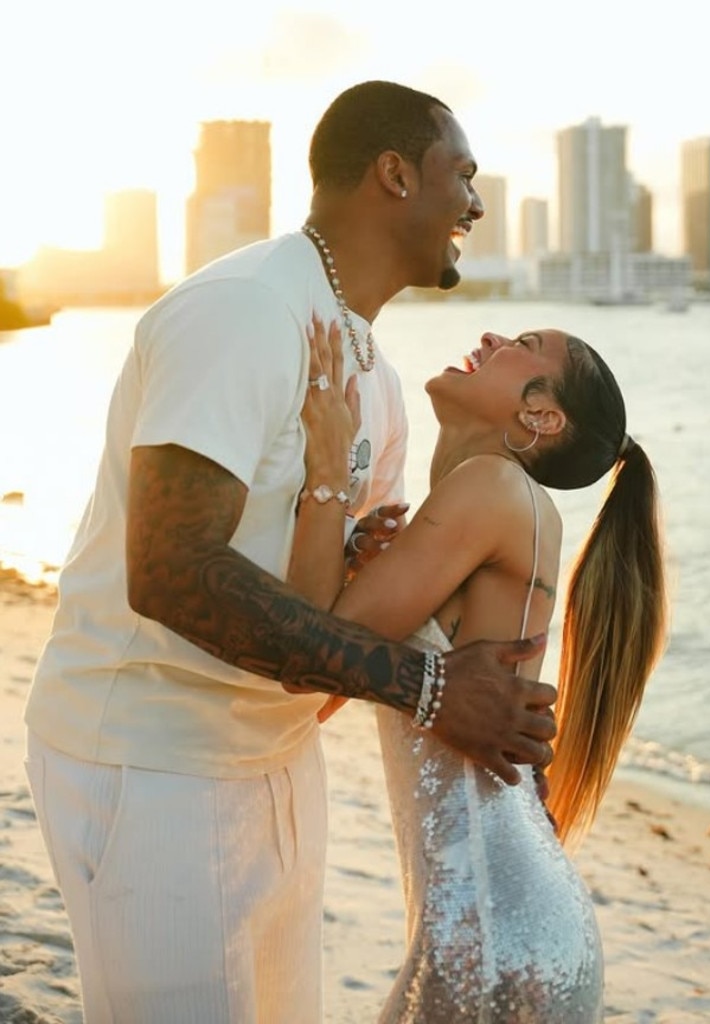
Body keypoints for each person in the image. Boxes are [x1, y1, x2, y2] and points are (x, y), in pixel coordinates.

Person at [22, 81, 558, 1024]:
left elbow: (332, 613)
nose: (476, 204)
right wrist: (431, 690)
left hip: (273, 761)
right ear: (394, 175)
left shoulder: (378, 380)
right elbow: (172, 570)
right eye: (462, 175)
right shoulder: (244, 311)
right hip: (154, 765)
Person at [290, 318, 668, 1023]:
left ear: (541, 415)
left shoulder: (492, 489)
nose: (494, 336)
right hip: (512, 921)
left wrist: (328, 464)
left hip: (490, 934)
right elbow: (328, 682)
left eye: (526, 344)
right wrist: (351, 560)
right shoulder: (494, 503)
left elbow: (307, 661)